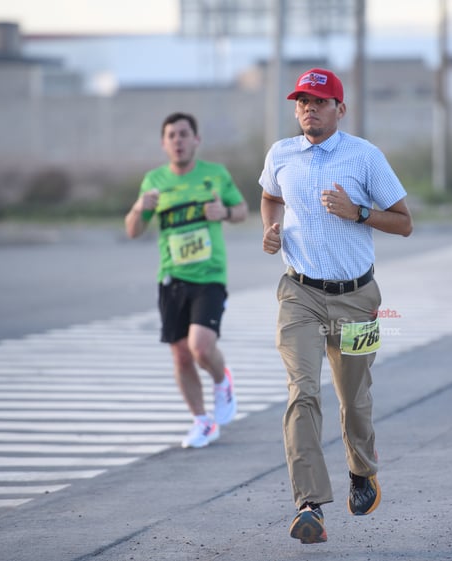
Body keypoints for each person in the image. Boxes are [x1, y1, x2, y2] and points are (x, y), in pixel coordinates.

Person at [259, 68, 413, 544]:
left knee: (354, 400)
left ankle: (362, 470)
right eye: (302, 100)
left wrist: (359, 212)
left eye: (320, 101)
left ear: (339, 109)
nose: (309, 108)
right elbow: (270, 196)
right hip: (299, 293)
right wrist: (271, 228)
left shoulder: (364, 157)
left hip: (358, 298)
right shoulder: (281, 153)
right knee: (302, 392)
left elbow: (405, 223)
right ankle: (309, 505)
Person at [125, 111, 248, 449]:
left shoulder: (215, 175)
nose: (178, 140)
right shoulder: (154, 181)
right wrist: (139, 207)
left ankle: (222, 381)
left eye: (184, 134)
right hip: (172, 278)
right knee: (180, 355)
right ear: (165, 144)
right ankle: (202, 421)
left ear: (196, 140)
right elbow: (133, 231)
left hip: (209, 275)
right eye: (171, 136)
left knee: (200, 346)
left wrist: (223, 212)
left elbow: (242, 211)